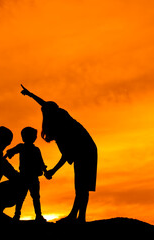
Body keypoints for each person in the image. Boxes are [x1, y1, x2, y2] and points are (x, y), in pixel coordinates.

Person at [20, 84, 98, 223]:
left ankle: (80, 217)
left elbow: (66, 155)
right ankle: (76, 216)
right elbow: (45, 104)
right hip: (86, 150)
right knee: (80, 186)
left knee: (82, 186)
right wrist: (30, 94)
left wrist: (53, 171)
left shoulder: (63, 128)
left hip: (86, 152)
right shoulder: (58, 114)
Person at [5, 127, 47, 222]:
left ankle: (37, 215)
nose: (34, 137)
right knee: (22, 197)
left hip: (31, 177)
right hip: (25, 177)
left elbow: (41, 163)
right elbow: (10, 152)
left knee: (33, 197)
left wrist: (45, 171)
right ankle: (18, 215)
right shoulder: (23, 147)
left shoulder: (35, 149)